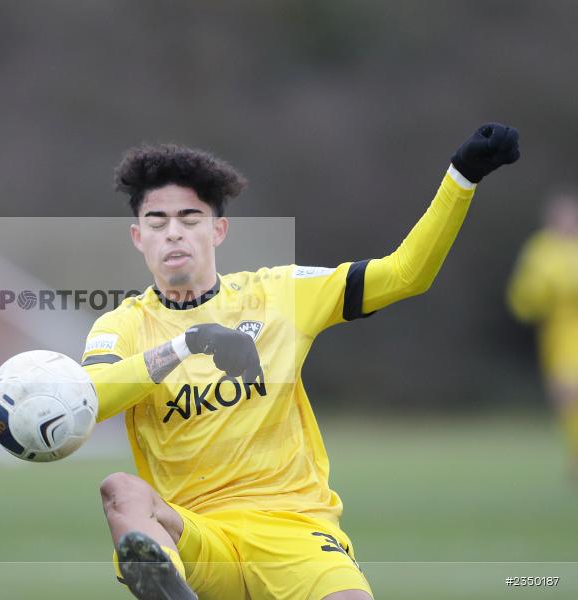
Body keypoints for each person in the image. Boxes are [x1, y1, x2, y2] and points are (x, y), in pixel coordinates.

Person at [81, 124, 519, 600]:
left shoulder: (280, 292)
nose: (174, 233)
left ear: (218, 229)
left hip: (292, 528)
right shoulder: (120, 326)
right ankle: (170, 587)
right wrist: (186, 344)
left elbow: (404, 274)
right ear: (137, 236)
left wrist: (462, 178)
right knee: (120, 491)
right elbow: (90, 399)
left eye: (190, 218)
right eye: (157, 221)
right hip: (196, 537)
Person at [507, 188, 578, 479]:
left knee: (569, 393)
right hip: (557, 336)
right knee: (566, 398)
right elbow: (521, 300)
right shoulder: (540, 251)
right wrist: (545, 291)